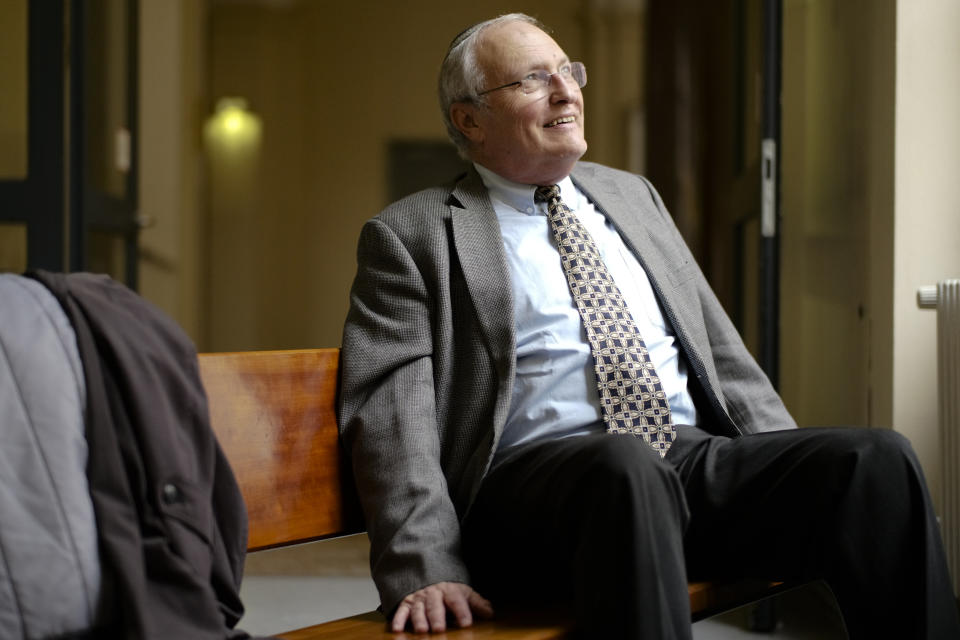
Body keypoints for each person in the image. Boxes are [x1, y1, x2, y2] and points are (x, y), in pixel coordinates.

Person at [337, 13, 960, 639]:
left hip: (681, 461)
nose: (566, 91)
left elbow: (720, 349)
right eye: (533, 79)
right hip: (537, 492)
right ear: (469, 118)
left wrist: (779, 464)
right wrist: (423, 565)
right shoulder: (412, 233)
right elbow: (392, 413)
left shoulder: (632, 195)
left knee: (875, 460)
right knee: (626, 466)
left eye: (568, 72)